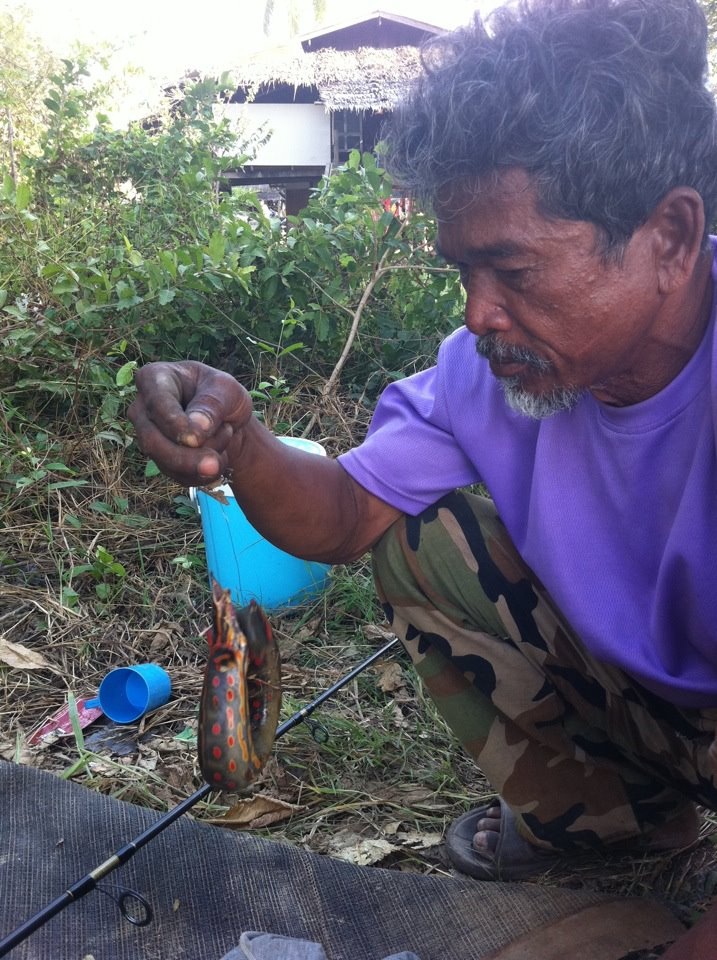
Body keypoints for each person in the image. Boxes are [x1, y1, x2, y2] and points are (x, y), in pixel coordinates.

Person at [129, 0, 717, 908]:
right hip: (652, 702)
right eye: (462, 274)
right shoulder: (485, 371)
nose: (479, 314)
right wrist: (239, 441)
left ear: (669, 240)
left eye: (513, 273)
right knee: (417, 538)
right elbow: (343, 515)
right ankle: (610, 819)